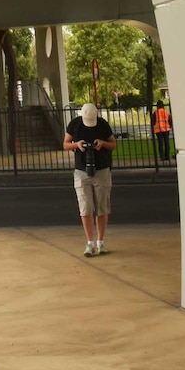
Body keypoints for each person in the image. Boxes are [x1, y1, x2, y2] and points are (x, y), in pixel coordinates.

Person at [64, 102, 116, 257]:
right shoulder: (75, 124)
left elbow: (113, 144)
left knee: (102, 207)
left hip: (102, 169)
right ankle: (90, 243)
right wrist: (77, 145)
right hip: (81, 171)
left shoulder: (102, 125)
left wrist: (102, 144)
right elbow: (65, 144)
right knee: (85, 207)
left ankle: (100, 241)